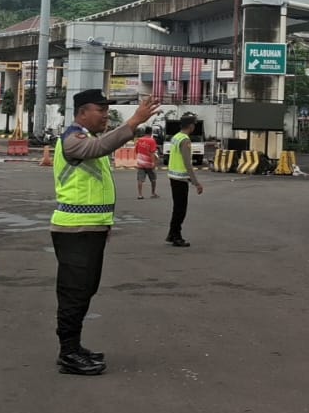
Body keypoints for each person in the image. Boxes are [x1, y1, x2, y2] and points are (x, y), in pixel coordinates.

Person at [51, 90, 161, 376]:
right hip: (74, 229)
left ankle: (74, 346)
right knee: (74, 292)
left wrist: (105, 223)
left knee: (85, 289)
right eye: (100, 110)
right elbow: (99, 148)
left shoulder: (86, 138)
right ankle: (68, 353)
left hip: (90, 227)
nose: (105, 115)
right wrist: (133, 121)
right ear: (82, 112)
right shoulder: (73, 139)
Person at [165, 113, 204, 247]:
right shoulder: (185, 140)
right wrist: (196, 183)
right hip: (180, 178)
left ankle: (172, 233)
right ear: (191, 126)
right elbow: (188, 164)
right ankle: (176, 236)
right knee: (180, 210)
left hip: (173, 176)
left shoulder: (176, 137)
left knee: (177, 207)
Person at [134, 126, 160, 199]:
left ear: (145, 132)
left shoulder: (139, 140)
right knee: (153, 179)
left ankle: (140, 195)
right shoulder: (152, 141)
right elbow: (152, 153)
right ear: (151, 132)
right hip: (149, 163)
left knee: (140, 179)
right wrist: (154, 163)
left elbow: (136, 150)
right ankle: (153, 193)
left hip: (140, 163)